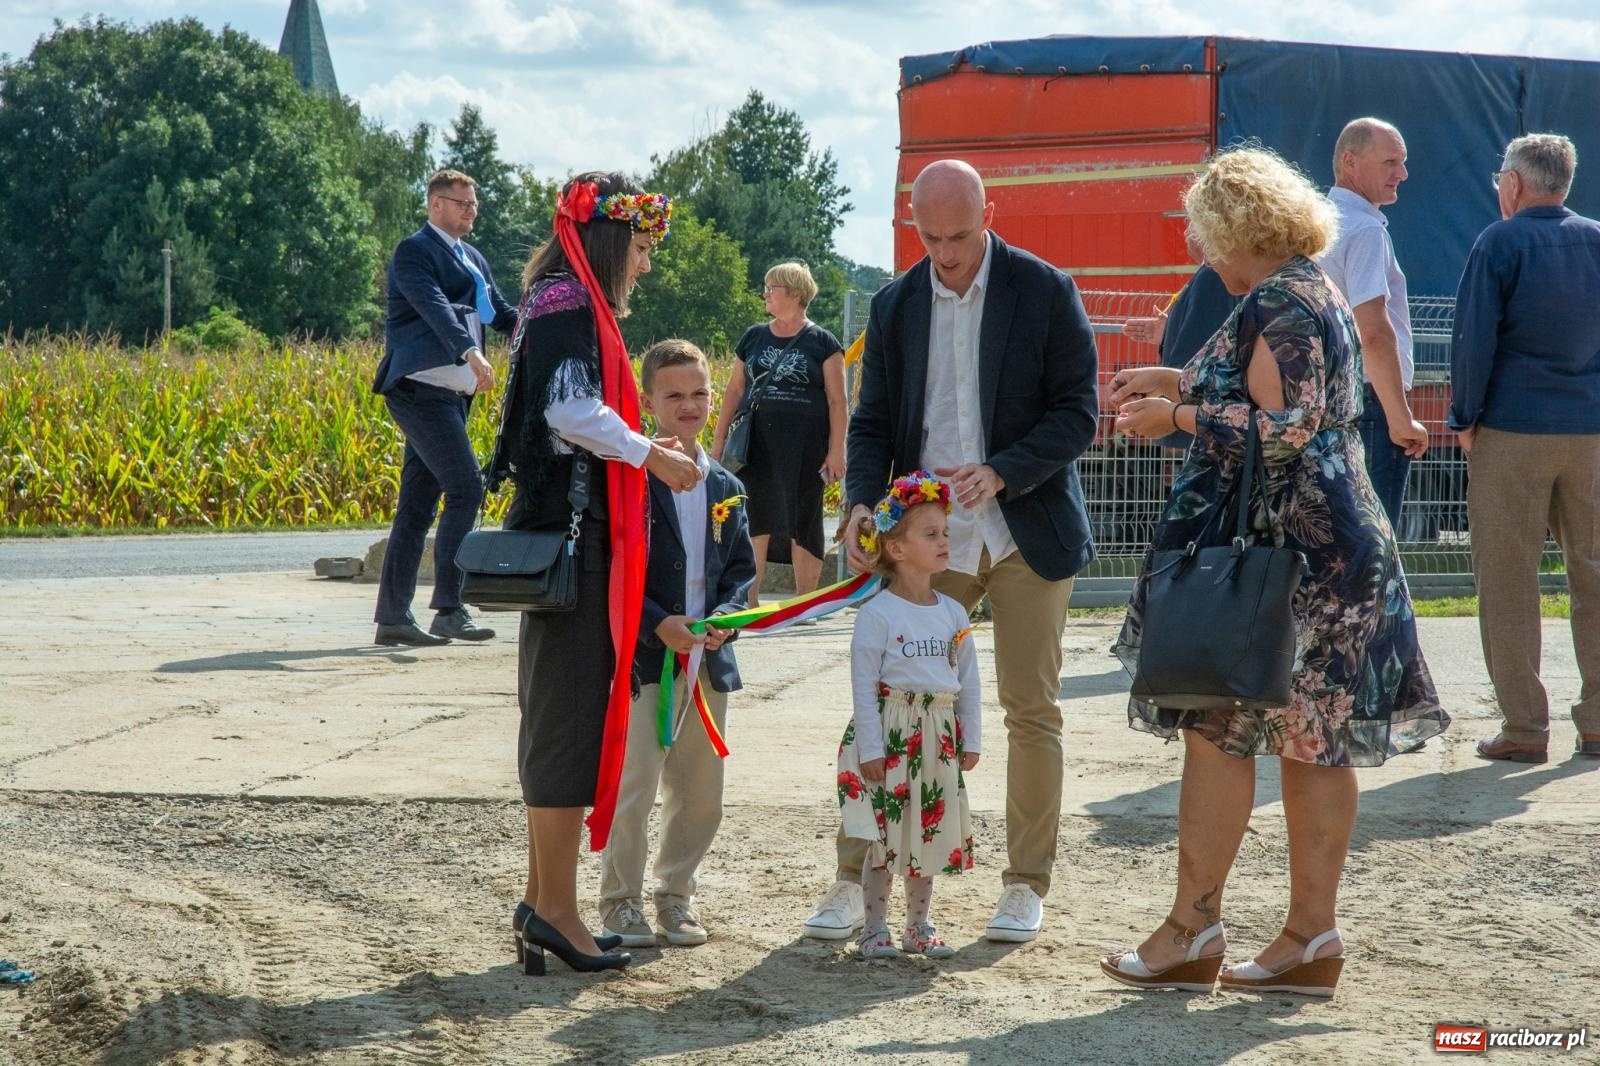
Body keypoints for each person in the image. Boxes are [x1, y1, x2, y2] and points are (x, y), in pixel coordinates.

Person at [1102, 147, 1448, 996]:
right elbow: (1268, 391)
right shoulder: (1303, 288)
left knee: (1223, 735)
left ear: (1234, 227)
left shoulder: (1281, 299)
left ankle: (1194, 930)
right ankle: (1306, 940)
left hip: (1291, 557)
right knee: (1314, 743)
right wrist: (1175, 377)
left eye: (1203, 231)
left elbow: (1285, 426)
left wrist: (1175, 414)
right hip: (1324, 550)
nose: (1198, 248)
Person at [814, 158, 1100, 945]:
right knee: (885, 702)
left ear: (989, 215)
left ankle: (1024, 884)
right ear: (914, 224)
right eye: (930, 237)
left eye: (960, 236)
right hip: (924, 539)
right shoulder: (896, 301)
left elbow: (1079, 412)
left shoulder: (1045, 290)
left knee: (1031, 712)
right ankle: (851, 881)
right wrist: (863, 502)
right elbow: (871, 425)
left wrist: (1004, 471)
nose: (945, 253)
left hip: (1023, 532)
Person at [499, 172, 701, 975]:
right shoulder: (567, 305)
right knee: (566, 730)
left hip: (574, 543)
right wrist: (650, 454)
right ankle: (553, 911)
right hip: (572, 548)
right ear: (614, 240)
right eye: (643, 248)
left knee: (562, 725)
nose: (646, 266)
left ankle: (542, 902)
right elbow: (565, 409)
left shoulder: (562, 300)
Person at [597, 339, 756, 948]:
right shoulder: (631, 478)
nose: (689, 406)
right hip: (647, 657)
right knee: (636, 783)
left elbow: (741, 569)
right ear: (648, 401)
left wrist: (724, 617)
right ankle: (620, 902)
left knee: (700, 791)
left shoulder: (724, 484)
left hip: (707, 662)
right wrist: (655, 621)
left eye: (699, 394)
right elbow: (611, 566)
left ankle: (675, 895)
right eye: (675, 395)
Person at [1450, 133, 1600, 764]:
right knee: (1593, 572)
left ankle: (1524, 728)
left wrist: (1463, 417)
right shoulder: (1596, 238)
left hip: (1514, 427)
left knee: (1509, 580)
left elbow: (1474, 339)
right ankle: (1596, 724)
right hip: (1591, 429)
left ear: (1513, 183)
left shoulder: (1499, 241)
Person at [370, 169, 517, 647]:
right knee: (467, 487)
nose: (471, 210)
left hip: (452, 396)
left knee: (415, 508)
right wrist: (470, 352)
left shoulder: (471, 257)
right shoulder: (415, 252)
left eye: (474, 204)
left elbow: (500, 311)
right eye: (462, 203)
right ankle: (449, 608)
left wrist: (550, 327)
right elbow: (433, 306)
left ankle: (392, 619)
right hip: (419, 388)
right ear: (435, 204)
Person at [837, 471, 980, 958]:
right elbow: (862, 684)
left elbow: (968, 682)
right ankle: (875, 927)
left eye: (945, 532)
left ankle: (919, 925)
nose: (945, 541)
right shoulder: (877, 613)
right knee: (885, 833)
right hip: (892, 731)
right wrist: (872, 748)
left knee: (928, 828)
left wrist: (971, 738)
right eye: (932, 534)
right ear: (896, 549)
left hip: (937, 734)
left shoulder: (954, 613)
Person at [711, 262, 847, 603]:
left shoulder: (823, 342)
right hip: (755, 444)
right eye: (766, 286)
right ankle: (749, 601)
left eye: (773, 287)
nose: (766, 293)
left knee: (804, 516)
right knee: (753, 514)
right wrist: (719, 439)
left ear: (796, 294)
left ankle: (804, 602)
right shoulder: (754, 336)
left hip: (806, 446)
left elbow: (837, 401)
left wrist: (836, 451)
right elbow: (734, 390)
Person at [1317, 118, 1429, 532]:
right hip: (1368, 403)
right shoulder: (1364, 230)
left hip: (1323, 397)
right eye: (1390, 162)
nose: (1402, 173)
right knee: (1374, 544)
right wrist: (1399, 418)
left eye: (1401, 162)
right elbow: (1375, 331)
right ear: (1350, 162)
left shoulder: (1315, 224)